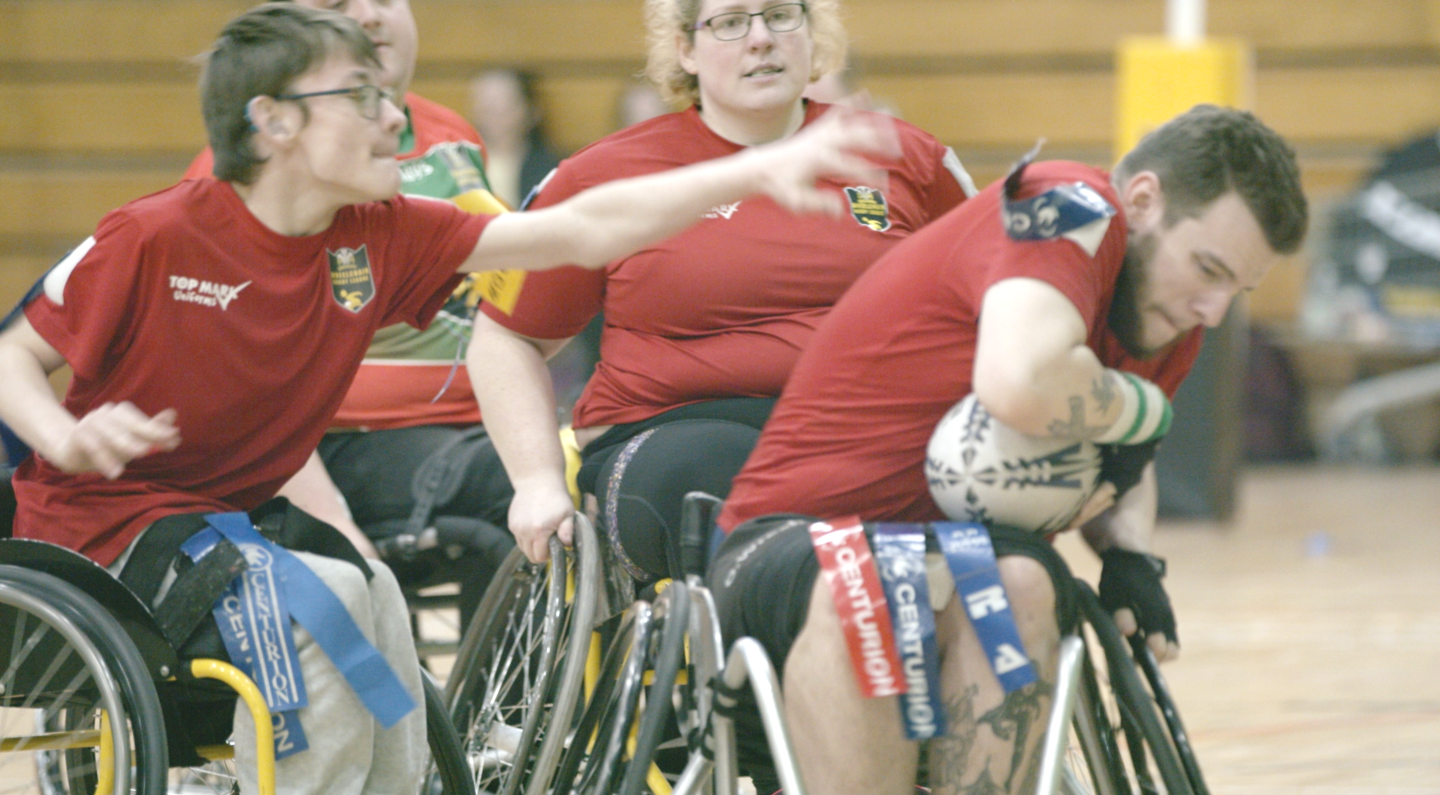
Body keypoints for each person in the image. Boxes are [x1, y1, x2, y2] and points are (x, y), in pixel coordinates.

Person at [0, 4, 901, 794]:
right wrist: (61, 434)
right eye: (358, 97)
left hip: (232, 519)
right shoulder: (156, 233)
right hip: (102, 531)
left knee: (378, 604)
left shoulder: (380, 237)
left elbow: (576, 228)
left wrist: (749, 173)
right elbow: (12, 354)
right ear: (270, 121)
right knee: (324, 605)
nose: (395, 115)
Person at [709, 104, 1308, 794]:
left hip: (966, 553)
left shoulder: (1174, 318)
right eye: (1208, 267)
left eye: (1238, 286)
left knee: (1021, 583)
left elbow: (1119, 459)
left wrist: (1131, 551)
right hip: (792, 542)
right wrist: (1141, 407)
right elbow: (1020, 382)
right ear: (1141, 200)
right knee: (878, 581)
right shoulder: (1064, 206)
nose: (1215, 309)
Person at [472, 0, 976, 581]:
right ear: (685, 48)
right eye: (731, 22)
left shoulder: (908, 157)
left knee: (982, 507)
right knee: (730, 483)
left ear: (812, 33)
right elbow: (506, 336)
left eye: (782, 15)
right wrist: (535, 481)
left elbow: (985, 313)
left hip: (865, 429)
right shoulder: (606, 173)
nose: (760, 38)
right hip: (677, 432)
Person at [184, 0, 515, 628]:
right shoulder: (235, 182)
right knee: (508, 481)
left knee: (575, 461)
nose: (368, 16)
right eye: (338, 3)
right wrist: (332, 519)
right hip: (336, 446)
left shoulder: (452, 136)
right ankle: (499, 723)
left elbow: (548, 250)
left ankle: (499, 716)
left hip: (470, 425)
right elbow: (234, 396)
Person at [469, 68, 564, 209]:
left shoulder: (554, 170)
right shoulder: (455, 167)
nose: (491, 113)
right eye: (485, 105)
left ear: (532, 111)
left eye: (502, 104)